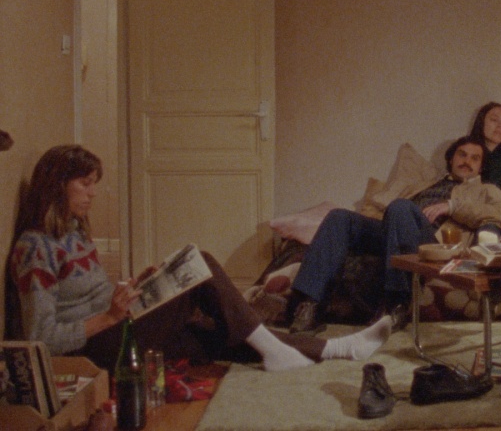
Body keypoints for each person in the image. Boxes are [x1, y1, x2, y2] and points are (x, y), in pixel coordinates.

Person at [5, 145, 392, 373]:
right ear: (57, 185)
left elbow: (91, 297)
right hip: (93, 351)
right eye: (85, 184)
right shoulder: (34, 248)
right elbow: (42, 338)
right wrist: (108, 317)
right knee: (201, 265)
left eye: (94, 184)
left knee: (218, 330)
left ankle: (338, 349)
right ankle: (286, 352)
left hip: (116, 327)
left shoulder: (73, 234)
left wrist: (137, 286)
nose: (92, 193)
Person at [288, 136, 501, 334]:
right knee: (339, 217)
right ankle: (310, 305)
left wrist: (452, 206)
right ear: (451, 159)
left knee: (401, 207)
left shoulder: (486, 190)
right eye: (462, 154)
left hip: (432, 242)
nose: (466, 161)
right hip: (394, 231)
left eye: (475, 158)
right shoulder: (427, 183)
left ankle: (396, 304)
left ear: (481, 167)